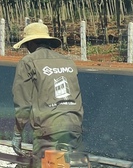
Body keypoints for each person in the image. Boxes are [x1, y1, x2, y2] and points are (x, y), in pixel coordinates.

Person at [11, 22, 83, 166]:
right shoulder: (68, 62)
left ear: (31, 43)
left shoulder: (28, 62)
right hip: (74, 126)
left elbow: (23, 104)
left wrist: (18, 132)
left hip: (48, 131)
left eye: (26, 45)